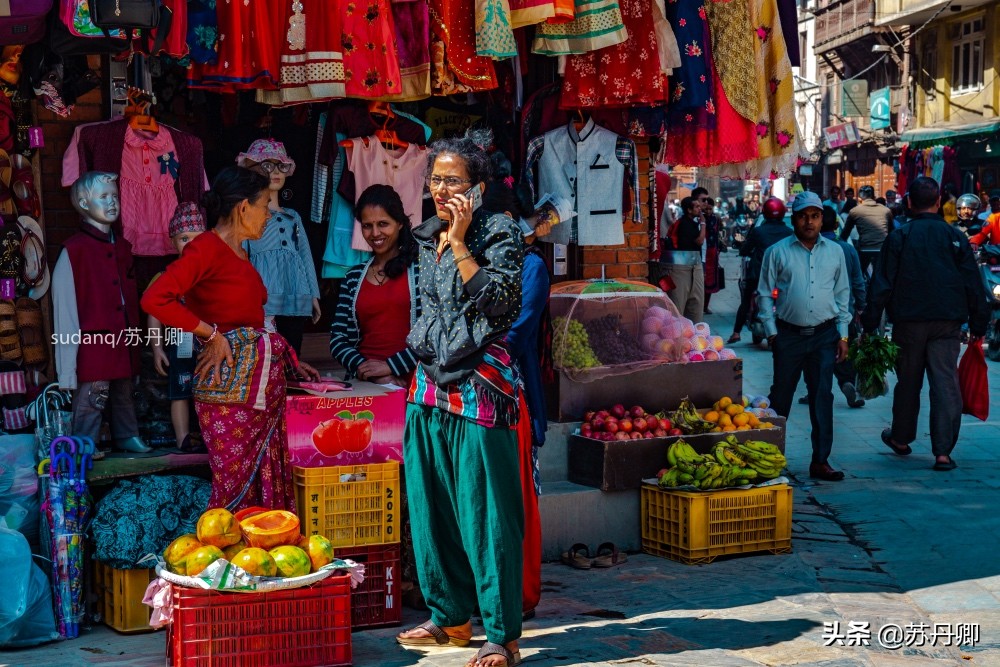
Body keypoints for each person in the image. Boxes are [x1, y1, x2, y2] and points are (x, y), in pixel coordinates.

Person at [395, 129, 525, 667]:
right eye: (437, 179)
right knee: (432, 508)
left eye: (454, 180)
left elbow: (499, 305)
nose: (442, 189)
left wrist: (464, 242)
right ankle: (449, 618)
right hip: (429, 381)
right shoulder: (424, 237)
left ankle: (502, 634)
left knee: (487, 513)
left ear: (478, 187)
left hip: (479, 386)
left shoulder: (500, 233)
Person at [142, 167, 320, 511]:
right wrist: (210, 334)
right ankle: (228, 560)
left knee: (262, 488)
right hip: (228, 396)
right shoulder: (205, 249)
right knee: (232, 490)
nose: (268, 215)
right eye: (264, 206)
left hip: (259, 394)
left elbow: (249, 318)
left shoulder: (241, 252)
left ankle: (262, 553)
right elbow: (155, 299)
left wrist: (289, 364)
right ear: (243, 208)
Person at [862, 176, 990, 472]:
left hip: (908, 322)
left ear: (908, 203)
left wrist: (870, 324)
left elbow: (881, 284)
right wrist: (979, 323)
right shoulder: (955, 237)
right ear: (938, 202)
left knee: (908, 382)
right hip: (947, 322)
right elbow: (973, 283)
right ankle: (943, 452)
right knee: (945, 382)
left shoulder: (899, 237)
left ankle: (902, 439)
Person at [482, 181, 564, 621]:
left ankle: (520, 593)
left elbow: (516, 335)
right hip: (467, 396)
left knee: (517, 501)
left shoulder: (530, 268)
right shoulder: (467, 262)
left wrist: (469, 358)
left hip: (511, 395)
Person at [52, 172, 152, 455]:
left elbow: (129, 302)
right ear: (84, 203)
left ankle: (127, 433)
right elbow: (65, 314)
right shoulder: (73, 251)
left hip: (122, 337)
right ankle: (84, 443)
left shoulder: (122, 248)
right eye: (103, 196)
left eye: (115, 196)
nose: (112, 202)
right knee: (92, 396)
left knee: (124, 391)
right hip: (93, 342)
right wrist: (67, 371)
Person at [758, 191, 852, 481]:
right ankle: (767, 458)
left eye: (814, 215)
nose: (808, 222)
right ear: (793, 218)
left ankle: (820, 460)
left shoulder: (836, 251)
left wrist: (843, 335)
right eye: (802, 216)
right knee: (781, 398)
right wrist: (772, 333)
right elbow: (763, 294)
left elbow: (842, 295)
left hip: (825, 335)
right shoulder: (777, 251)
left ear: (822, 218)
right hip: (788, 336)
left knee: (822, 397)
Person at [329, 184, 420, 386]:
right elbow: (338, 339)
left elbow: (436, 334)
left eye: (383, 224)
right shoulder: (354, 277)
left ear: (400, 223)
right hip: (365, 383)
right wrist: (371, 372)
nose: (375, 233)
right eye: (367, 225)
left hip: (414, 384)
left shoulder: (422, 270)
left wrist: (392, 367)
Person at [238, 139, 321, 355]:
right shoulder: (246, 214)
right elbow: (242, 255)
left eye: (281, 166)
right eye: (267, 165)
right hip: (264, 293)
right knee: (266, 349)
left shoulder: (293, 216)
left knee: (293, 349)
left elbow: (305, 255)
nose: (276, 172)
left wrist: (313, 295)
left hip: (296, 290)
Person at [147, 202, 207, 453]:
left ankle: (209, 436)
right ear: (173, 242)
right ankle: (183, 438)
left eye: (196, 238)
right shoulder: (165, 277)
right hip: (180, 343)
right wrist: (157, 348)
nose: (190, 244)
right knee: (179, 390)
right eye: (184, 238)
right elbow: (153, 314)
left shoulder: (211, 275)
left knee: (209, 392)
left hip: (208, 344)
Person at [799, 206, 867, 408]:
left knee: (813, 354)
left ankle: (815, 391)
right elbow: (858, 281)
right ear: (837, 225)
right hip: (844, 311)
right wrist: (862, 307)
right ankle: (846, 381)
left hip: (814, 314)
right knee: (843, 348)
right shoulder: (847, 249)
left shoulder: (806, 247)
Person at [728, 197, 792, 344]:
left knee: (746, 300)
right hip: (782, 274)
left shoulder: (758, 232)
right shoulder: (789, 232)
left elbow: (745, 249)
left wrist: (744, 249)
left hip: (758, 274)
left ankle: (736, 332)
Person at [660, 196, 706, 321]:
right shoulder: (685, 224)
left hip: (693, 266)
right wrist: (703, 223)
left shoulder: (690, 223)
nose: (699, 208)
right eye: (696, 206)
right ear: (689, 210)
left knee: (695, 307)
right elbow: (700, 240)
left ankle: (694, 337)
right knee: (677, 309)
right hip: (680, 268)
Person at [840, 185, 893, 275]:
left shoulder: (855, 211)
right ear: (873, 196)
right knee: (883, 275)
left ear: (860, 197)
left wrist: (840, 243)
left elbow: (846, 232)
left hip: (864, 248)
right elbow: (891, 231)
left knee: (858, 275)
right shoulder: (886, 210)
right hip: (882, 249)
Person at [692, 187, 723, 314]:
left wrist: (719, 248)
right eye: (703, 201)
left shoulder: (715, 219)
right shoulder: (697, 219)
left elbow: (717, 235)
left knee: (710, 281)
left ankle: (705, 306)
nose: (707, 207)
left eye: (710, 207)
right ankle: (698, 306)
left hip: (712, 252)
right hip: (699, 254)